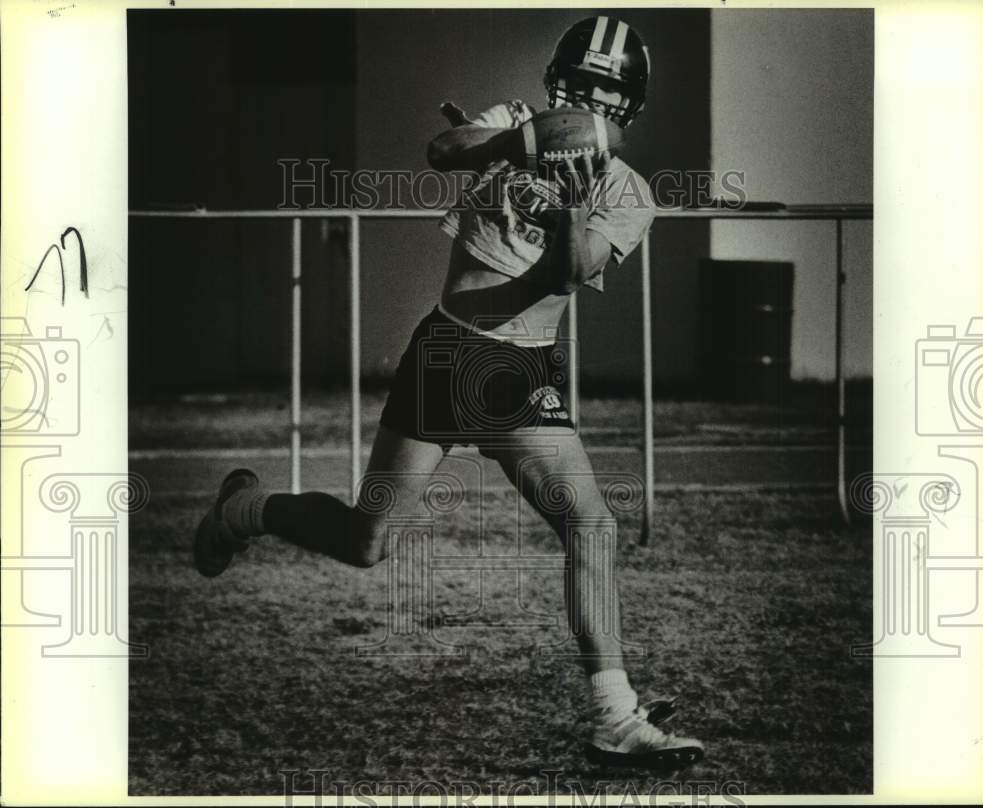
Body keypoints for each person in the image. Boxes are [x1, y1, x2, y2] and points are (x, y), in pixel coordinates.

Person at [194, 15, 704, 773]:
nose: (586, 102)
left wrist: (563, 207)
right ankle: (243, 509)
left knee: (592, 526)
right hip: (450, 353)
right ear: (559, 85)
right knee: (366, 544)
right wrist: (519, 144)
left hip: (522, 371)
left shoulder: (629, 193)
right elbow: (443, 150)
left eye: (603, 93)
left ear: (625, 107)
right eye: (579, 88)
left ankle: (614, 717)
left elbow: (565, 274)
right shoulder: (515, 123)